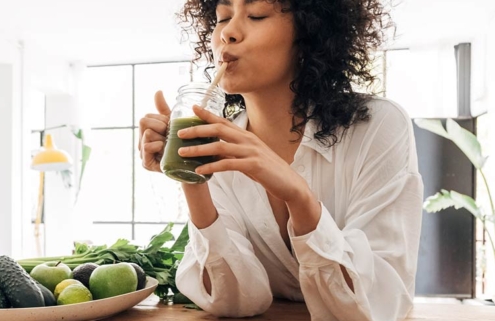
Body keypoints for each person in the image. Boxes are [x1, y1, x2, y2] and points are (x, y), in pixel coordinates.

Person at [137, 0, 422, 320]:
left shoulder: (378, 126)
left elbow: (381, 302)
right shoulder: (217, 142)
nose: (228, 32)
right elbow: (235, 302)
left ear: (309, 34)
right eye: (223, 17)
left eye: (256, 15)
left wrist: (299, 197)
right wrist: (190, 171)